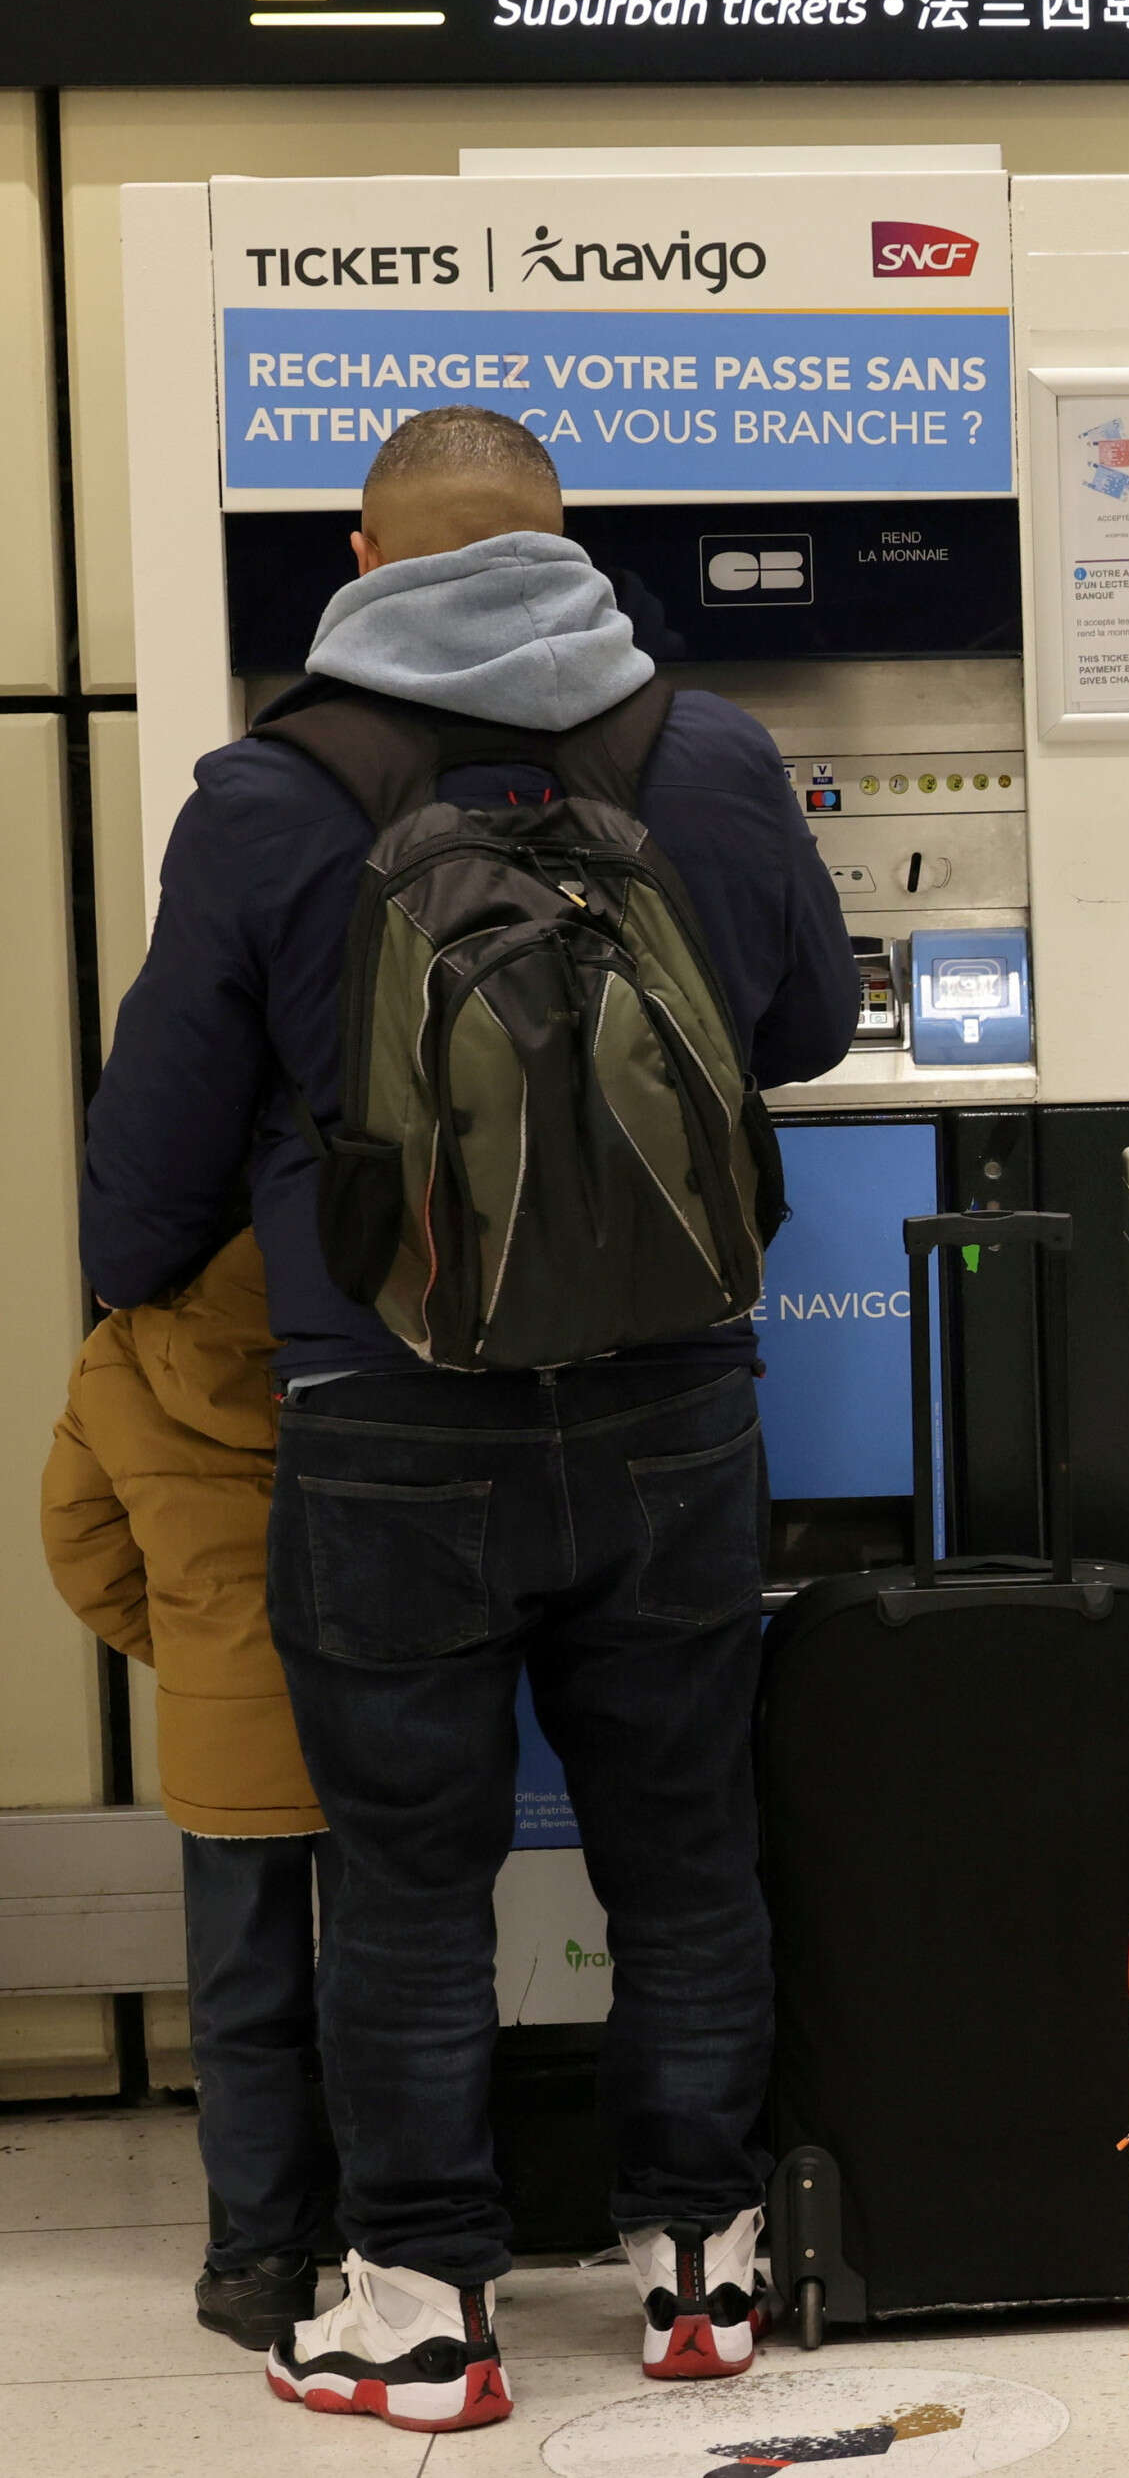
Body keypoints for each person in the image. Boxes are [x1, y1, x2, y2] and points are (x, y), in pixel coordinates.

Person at [82, 405, 856, 2433]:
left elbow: (148, 1158)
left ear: (364, 564)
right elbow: (807, 1025)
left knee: (407, 1875)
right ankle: (701, 2270)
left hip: (384, 1417)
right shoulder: (708, 753)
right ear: (567, 553)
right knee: (684, 1848)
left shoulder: (262, 797)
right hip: (676, 1403)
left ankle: (425, 2307)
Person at [38, 1230, 333, 2353]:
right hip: (384, 1719)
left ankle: (258, 2264)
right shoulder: (372, 1320)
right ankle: (393, 2239)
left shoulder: (122, 1353)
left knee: (243, 2010)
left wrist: (198, 1654)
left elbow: (79, 1541)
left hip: (222, 1739)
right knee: (391, 1987)